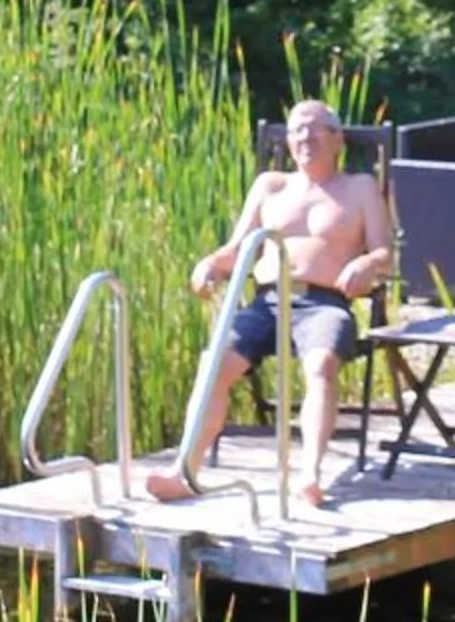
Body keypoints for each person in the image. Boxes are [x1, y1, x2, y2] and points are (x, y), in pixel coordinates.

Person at [149, 99, 393, 509]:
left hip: (324, 301)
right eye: (296, 130)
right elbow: (236, 249)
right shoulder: (271, 186)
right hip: (267, 303)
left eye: (315, 129)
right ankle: (185, 471)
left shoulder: (359, 188)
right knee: (215, 364)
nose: (304, 138)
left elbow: (386, 254)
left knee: (321, 365)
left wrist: (367, 263)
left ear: (338, 139)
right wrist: (209, 264)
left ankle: (310, 475)